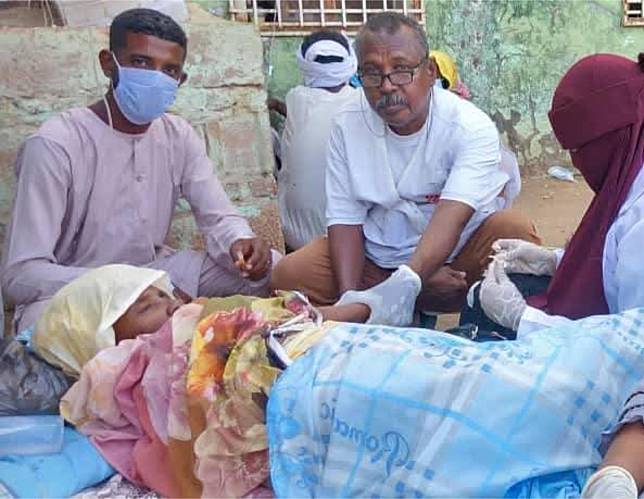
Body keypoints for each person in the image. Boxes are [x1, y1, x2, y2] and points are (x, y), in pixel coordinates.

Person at [0, 8, 275, 334]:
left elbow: (218, 217)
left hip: (155, 272)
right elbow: (21, 275)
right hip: (77, 286)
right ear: (107, 63)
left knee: (274, 268)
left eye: (169, 70)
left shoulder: (178, 135)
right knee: (45, 331)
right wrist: (130, 287)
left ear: (180, 80)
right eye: (141, 62)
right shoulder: (56, 144)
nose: (155, 77)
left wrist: (240, 242)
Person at [271, 12, 539, 326]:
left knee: (514, 234)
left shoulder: (469, 126)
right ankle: (380, 311)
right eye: (372, 73)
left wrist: (412, 283)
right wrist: (351, 299)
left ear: (429, 71)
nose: (386, 86)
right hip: (379, 259)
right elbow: (345, 219)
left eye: (400, 70)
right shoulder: (347, 123)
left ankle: (467, 322)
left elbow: (451, 219)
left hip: (455, 258)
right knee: (289, 274)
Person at [475, 52, 644, 334]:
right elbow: (616, 257)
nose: (578, 162)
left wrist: (522, 319)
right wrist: (553, 260)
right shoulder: (632, 174)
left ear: (612, 136)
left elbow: (630, 351)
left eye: (581, 149)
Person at [270, 30, 359, 250]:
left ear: (305, 63)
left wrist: (274, 105)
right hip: (350, 238)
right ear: (350, 63)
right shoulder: (362, 102)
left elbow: (312, 113)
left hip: (294, 236)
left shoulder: (296, 97)